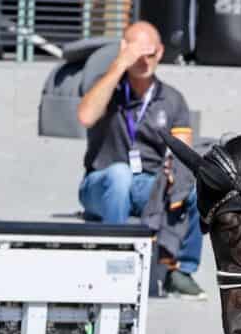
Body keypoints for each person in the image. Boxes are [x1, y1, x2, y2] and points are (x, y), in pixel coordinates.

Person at [77, 21, 205, 298]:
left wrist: (175, 170)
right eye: (137, 53)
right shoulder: (108, 86)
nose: (144, 61)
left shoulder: (172, 99)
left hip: (148, 185)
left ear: (160, 52)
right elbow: (86, 116)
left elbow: (183, 150)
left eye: (150, 53)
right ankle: (114, 257)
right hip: (101, 182)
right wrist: (120, 64)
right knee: (120, 174)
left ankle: (179, 271)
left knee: (193, 188)